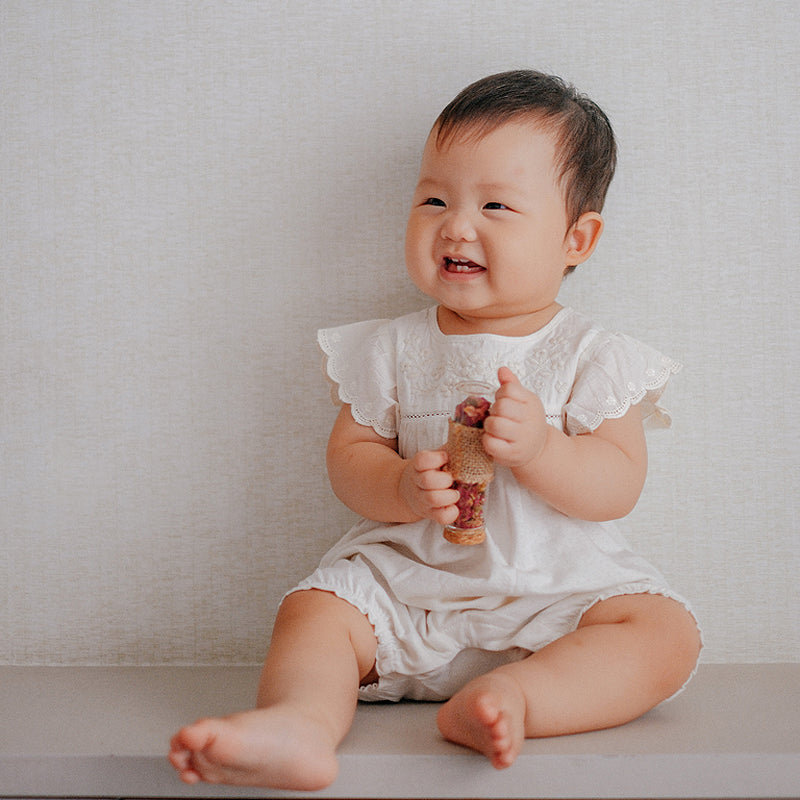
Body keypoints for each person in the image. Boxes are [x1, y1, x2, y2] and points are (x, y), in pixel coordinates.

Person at [169, 69, 702, 791]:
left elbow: (618, 484)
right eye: (434, 199)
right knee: (315, 610)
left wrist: (544, 449)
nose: (456, 224)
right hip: (409, 590)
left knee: (666, 635)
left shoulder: (593, 356)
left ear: (577, 238)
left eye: (496, 205)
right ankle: (299, 722)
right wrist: (400, 485)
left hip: (557, 599)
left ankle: (514, 699)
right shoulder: (391, 348)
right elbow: (349, 459)